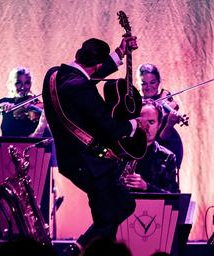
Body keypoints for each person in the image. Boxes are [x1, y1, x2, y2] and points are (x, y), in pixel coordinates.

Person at [42, 37, 149, 256]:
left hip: (75, 160)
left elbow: (85, 80)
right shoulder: (82, 88)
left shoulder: (55, 75)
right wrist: (135, 123)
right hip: (90, 164)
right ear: (97, 65)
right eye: (100, 67)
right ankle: (76, 251)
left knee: (123, 205)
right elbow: (109, 127)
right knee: (107, 219)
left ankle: (81, 246)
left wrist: (120, 53)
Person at [0, 67, 51, 241]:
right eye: (18, 82)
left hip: (30, 160)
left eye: (27, 82)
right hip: (4, 158)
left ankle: (3, 228)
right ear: (10, 84)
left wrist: (40, 116)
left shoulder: (37, 106)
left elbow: (51, 131)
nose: (23, 86)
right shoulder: (5, 103)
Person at [124, 99, 180, 193]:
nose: (146, 126)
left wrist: (146, 187)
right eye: (141, 121)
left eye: (151, 122)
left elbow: (173, 196)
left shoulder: (167, 157)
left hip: (151, 207)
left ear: (159, 124)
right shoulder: (121, 150)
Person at [136, 63, 185, 170]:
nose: (148, 87)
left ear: (159, 82)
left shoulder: (166, 99)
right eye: (144, 83)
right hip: (144, 149)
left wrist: (169, 123)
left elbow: (162, 138)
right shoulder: (135, 104)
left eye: (153, 82)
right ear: (138, 84)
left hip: (167, 145)